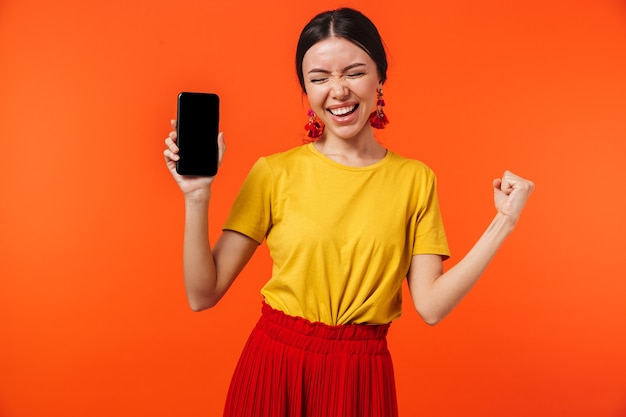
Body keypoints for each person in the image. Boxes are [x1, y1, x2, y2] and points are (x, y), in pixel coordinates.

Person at [163, 7, 534, 417]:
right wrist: (196, 197)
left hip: (361, 376)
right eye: (319, 79)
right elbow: (202, 295)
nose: (337, 91)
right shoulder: (274, 172)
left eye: (354, 72)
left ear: (380, 78)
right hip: (274, 368)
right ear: (306, 90)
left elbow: (431, 306)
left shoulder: (415, 180)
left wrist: (504, 221)